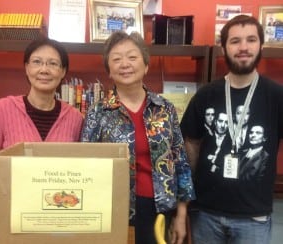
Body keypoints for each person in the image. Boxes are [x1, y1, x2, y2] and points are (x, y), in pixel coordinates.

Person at [81, 31, 195, 244]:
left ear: (146, 65)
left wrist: (181, 214)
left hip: (160, 208)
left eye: (132, 57)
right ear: (109, 70)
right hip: (113, 209)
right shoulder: (98, 113)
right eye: (116, 59)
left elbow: (180, 162)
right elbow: (85, 167)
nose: (125, 64)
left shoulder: (164, 109)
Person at [180, 14, 283, 244]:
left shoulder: (276, 96)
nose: (243, 47)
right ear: (223, 47)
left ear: (261, 45)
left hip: (253, 216)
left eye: (251, 40)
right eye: (235, 41)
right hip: (206, 212)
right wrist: (186, 203)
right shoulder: (206, 95)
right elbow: (191, 145)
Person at [0, 37, 83, 200]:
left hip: (59, 213)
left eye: (53, 63)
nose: (44, 70)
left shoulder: (75, 118)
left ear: (63, 71)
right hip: (12, 213)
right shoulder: (2, 109)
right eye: (37, 62)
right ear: (26, 68)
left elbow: (81, 172)